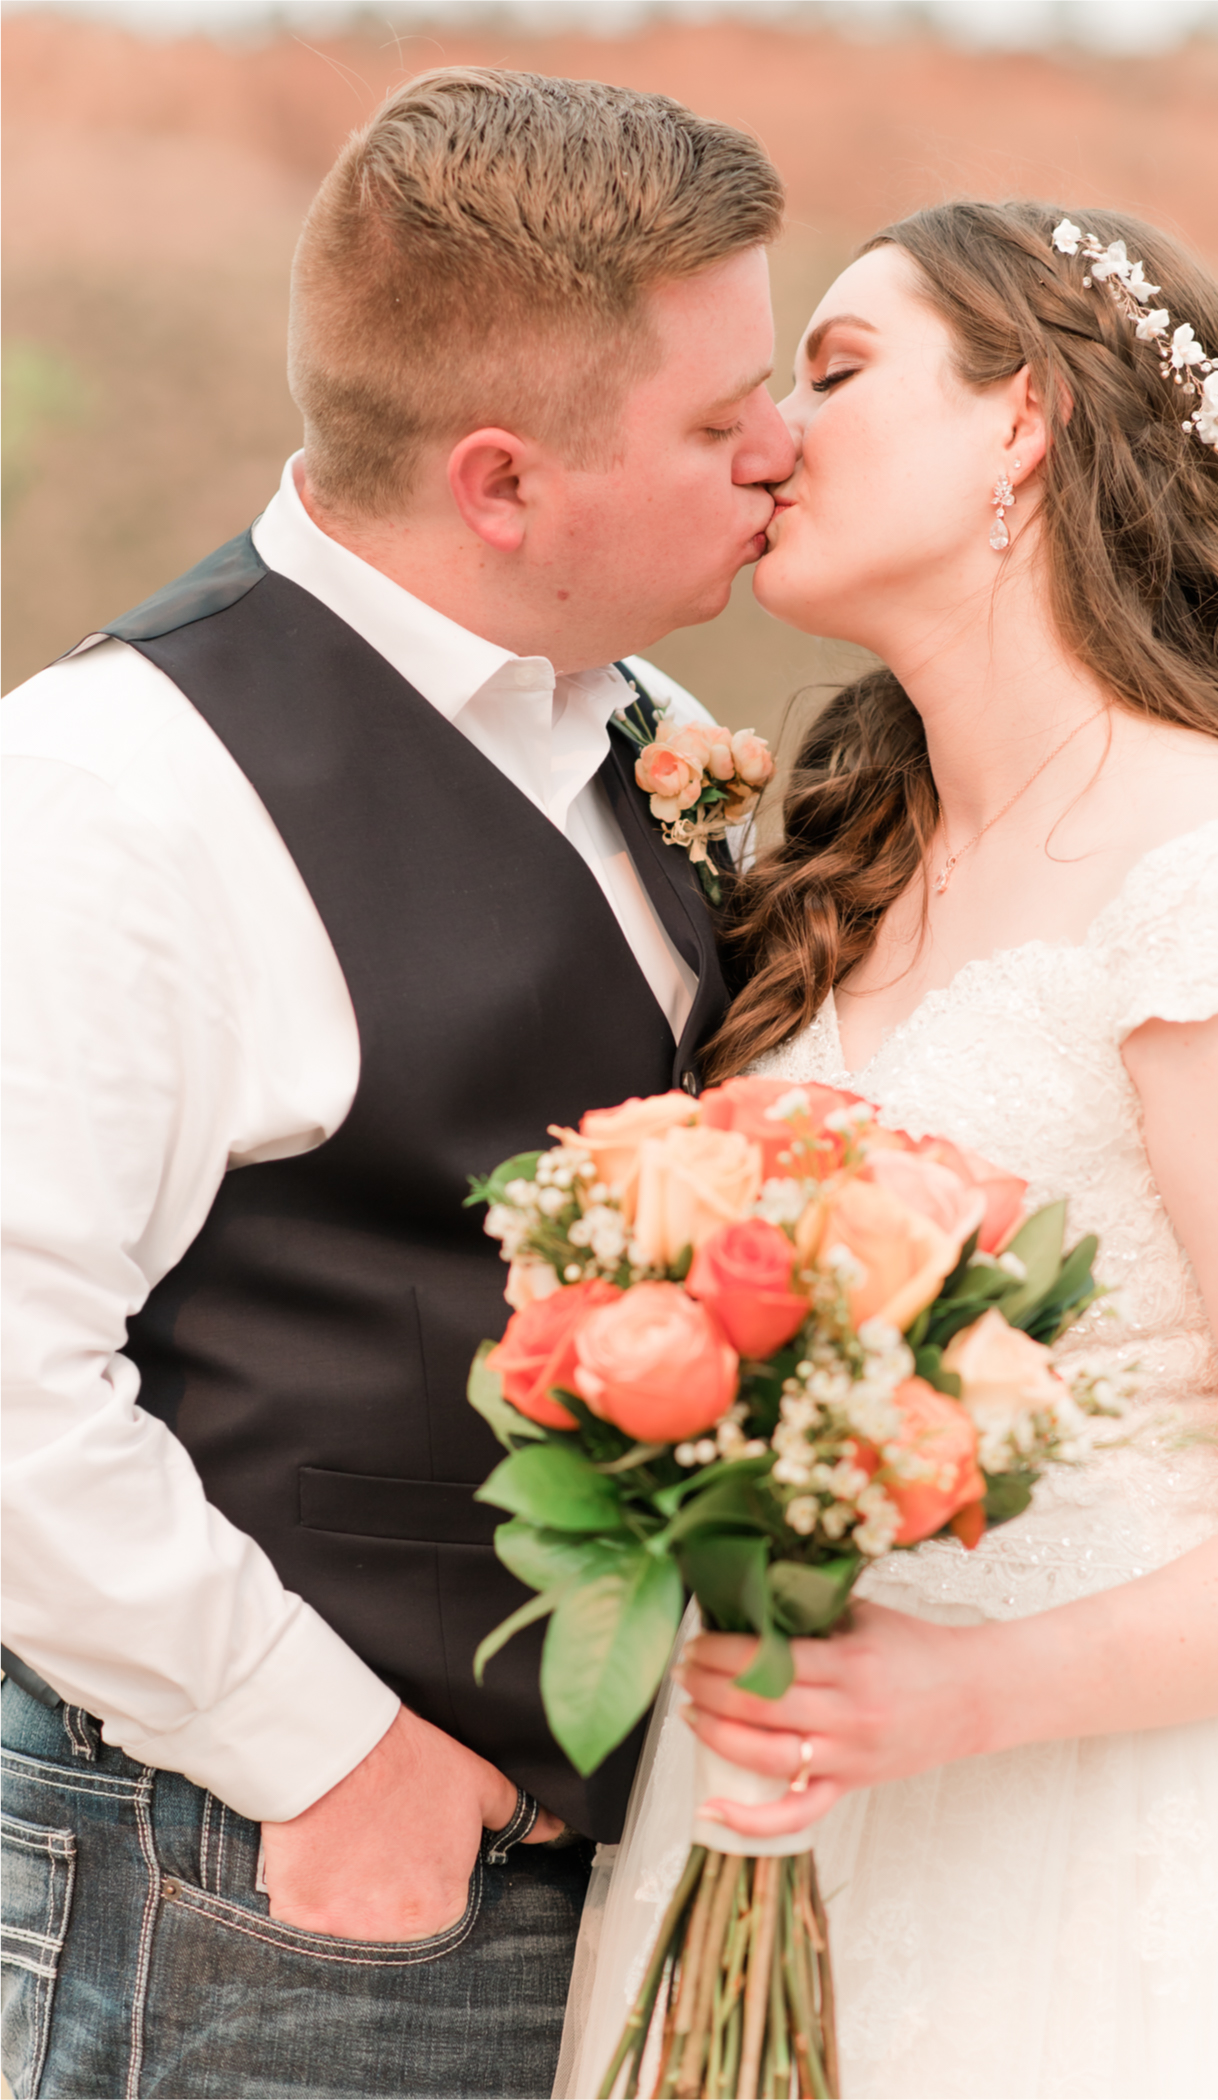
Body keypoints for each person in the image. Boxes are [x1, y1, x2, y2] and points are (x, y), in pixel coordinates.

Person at [556, 201, 1218, 2098]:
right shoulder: (843, 869)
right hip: (781, 1804)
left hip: (1102, 1853)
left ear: (1022, 422)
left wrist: (960, 1693)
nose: (774, 433)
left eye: (836, 372)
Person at [1, 66, 796, 2100]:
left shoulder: (653, 723)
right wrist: (334, 1762)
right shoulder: (110, 795)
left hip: (604, 1887)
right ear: (500, 483)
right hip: (263, 1888)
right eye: (720, 421)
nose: (783, 453)